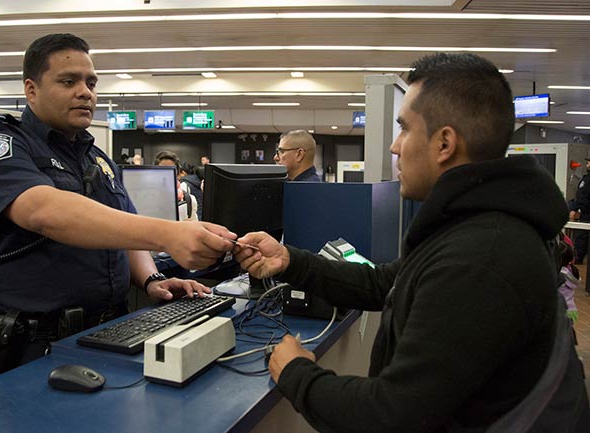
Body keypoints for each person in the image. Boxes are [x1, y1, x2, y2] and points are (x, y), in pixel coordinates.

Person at [234, 53, 589, 431]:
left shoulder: (480, 259)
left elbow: (391, 417)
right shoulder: (476, 225)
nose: (395, 147)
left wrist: (295, 371)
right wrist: (290, 260)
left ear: (444, 143)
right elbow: (384, 282)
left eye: (404, 129)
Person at [0, 33, 236, 378]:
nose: (85, 92)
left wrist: (152, 279)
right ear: (31, 90)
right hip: (33, 349)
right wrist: (169, 234)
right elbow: (44, 211)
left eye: (91, 82)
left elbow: (123, 226)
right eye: (68, 81)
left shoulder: (96, 157)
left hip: (109, 335)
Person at [155, 150, 199, 221]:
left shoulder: (189, 200)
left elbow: (194, 226)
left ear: (178, 174)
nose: (166, 174)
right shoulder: (146, 198)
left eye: (170, 170)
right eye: (162, 170)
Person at [569, 158, 590, 263]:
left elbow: (582, 197)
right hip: (585, 212)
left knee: (582, 237)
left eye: (589, 162)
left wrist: (574, 208)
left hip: (587, 214)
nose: (587, 164)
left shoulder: (587, 180)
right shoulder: (586, 178)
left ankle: (577, 258)